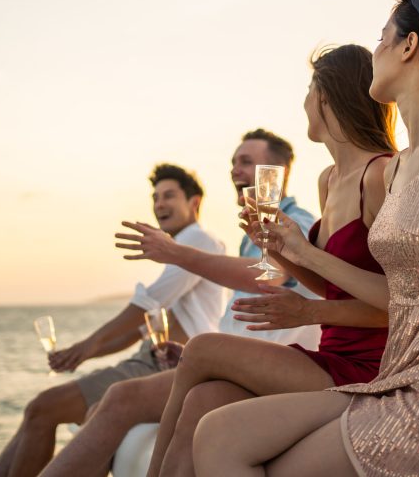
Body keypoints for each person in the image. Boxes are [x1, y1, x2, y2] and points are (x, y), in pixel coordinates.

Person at [193, 0, 419, 477]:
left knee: (262, 461)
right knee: (219, 433)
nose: (374, 50)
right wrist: (298, 251)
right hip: (404, 379)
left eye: (382, 38)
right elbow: (396, 294)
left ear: (409, 46)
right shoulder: (397, 171)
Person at [145, 44, 396, 477]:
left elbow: (399, 305)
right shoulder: (330, 181)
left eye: (309, 88)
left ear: (328, 97)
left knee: (201, 350)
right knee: (204, 401)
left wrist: (306, 311)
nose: (303, 102)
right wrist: (279, 247)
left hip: (369, 367)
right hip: (329, 356)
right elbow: (329, 282)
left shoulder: (380, 176)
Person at [39, 128, 333, 477]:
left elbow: (269, 276)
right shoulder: (253, 234)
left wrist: (176, 253)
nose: (234, 170)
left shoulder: (296, 221)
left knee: (119, 400)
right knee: (113, 402)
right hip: (232, 362)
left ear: (277, 173)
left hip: (265, 370)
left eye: (246, 162)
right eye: (233, 163)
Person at [0, 164, 226, 477]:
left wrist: (86, 345)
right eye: (155, 197)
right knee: (44, 412)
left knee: (43, 408)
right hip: (150, 359)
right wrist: (81, 354)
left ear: (194, 203)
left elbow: (148, 303)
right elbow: (139, 329)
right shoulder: (181, 250)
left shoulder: (198, 240)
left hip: (166, 365)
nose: (159, 204)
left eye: (169, 195)